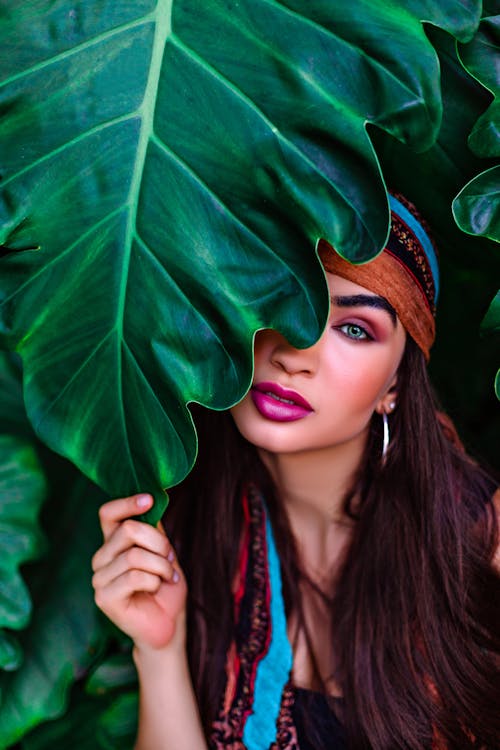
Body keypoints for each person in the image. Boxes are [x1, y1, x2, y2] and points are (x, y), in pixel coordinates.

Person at [91, 194, 500, 750]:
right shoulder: (195, 525)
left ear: (395, 387)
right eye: (280, 300)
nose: (295, 353)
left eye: (353, 329)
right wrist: (160, 649)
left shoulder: (484, 547)